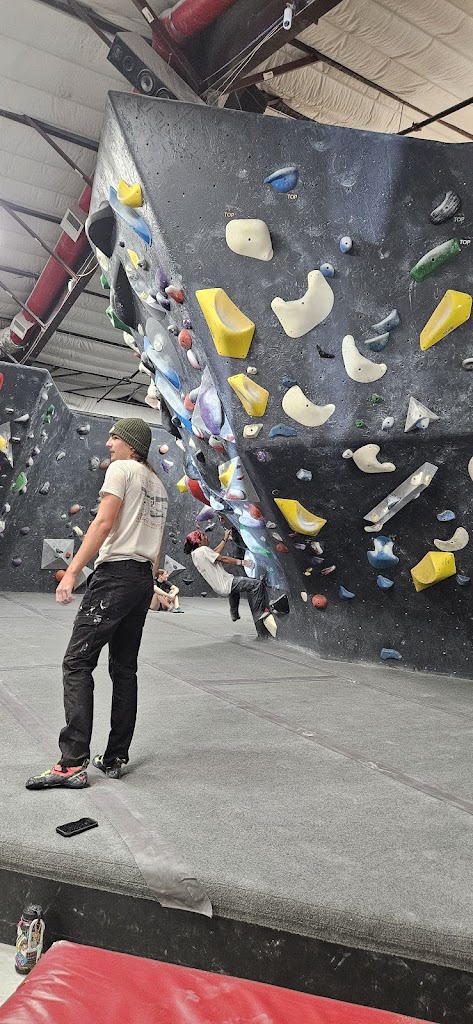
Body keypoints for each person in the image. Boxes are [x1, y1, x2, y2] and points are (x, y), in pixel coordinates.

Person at [26, 417, 168, 789]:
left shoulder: (122, 469)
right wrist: (151, 585)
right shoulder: (158, 484)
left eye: (114, 437)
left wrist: (72, 571)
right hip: (140, 579)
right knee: (124, 669)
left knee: (76, 662)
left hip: (115, 576)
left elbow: (103, 523)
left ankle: (72, 762)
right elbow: (158, 540)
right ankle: (115, 756)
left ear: (132, 446)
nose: (108, 443)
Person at [183, 528, 273, 637]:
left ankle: (234, 613)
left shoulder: (196, 554)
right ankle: (258, 614)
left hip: (219, 587)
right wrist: (243, 562)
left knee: (234, 591)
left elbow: (214, 553)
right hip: (227, 583)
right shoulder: (202, 550)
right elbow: (223, 559)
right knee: (256, 585)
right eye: (203, 536)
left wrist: (225, 538)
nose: (206, 537)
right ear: (198, 541)